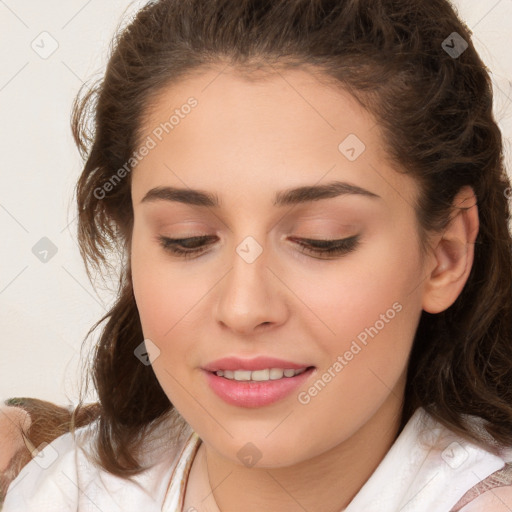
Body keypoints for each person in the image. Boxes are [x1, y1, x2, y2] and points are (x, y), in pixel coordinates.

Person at [2, 0, 512, 510]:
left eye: (322, 239)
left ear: (445, 255)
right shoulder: (60, 488)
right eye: (188, 239)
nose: (244, 308)